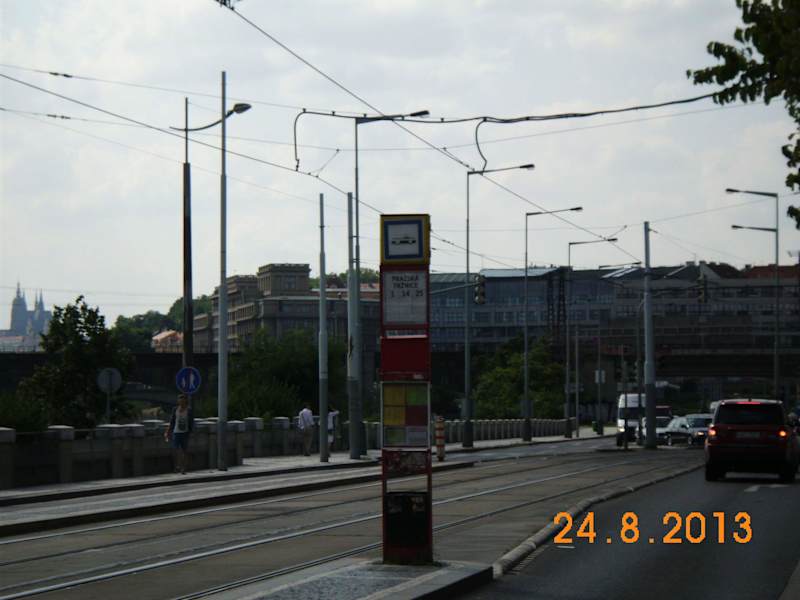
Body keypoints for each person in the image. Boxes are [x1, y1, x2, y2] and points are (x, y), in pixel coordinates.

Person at [164, 394, 193, 474]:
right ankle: (176, 466)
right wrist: (167, 431)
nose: (181, 402)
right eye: (180, 401)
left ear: (185, 401)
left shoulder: (189, 410)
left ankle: (183, 468)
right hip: (176, 432)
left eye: (183, 401)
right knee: (175, 450)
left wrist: (191, 432)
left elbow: (191, 422)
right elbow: (172, 421)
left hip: (185, 433)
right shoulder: (175, 409)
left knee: (184, 451)